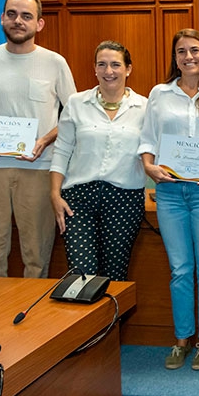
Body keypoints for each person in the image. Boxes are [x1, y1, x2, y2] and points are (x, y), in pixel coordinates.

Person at [0, 0, 76, 278]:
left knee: (36, 260)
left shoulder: (55, 62)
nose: (18, 21)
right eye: (11, 14)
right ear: (2, 19)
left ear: (39, 23)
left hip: (38, 169)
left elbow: (73, 116)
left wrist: (45, 139)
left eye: (26, 16)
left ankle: (32, 323)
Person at [138, 29, 199, 371]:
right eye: (181, 52)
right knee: (179, 270)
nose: (188, 56)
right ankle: (181, 340)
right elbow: (147, 139)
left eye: (195, 50)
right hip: (171, 193)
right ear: (174, 58)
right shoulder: (159, 94)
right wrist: (149, 167)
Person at [50, 40, 147, 282]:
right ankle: (87, 320)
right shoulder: (75, 103)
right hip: (78, 200)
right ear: (94, 69)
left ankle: (112, 322)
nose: (108, 71)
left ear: (128, 69)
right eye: (102, 65)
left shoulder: (146, 107)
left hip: (125, 200)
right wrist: (55, 194)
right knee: (81, 276)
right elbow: (62, 150)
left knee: (114, 278)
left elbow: (154, 152)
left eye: (116, 64)